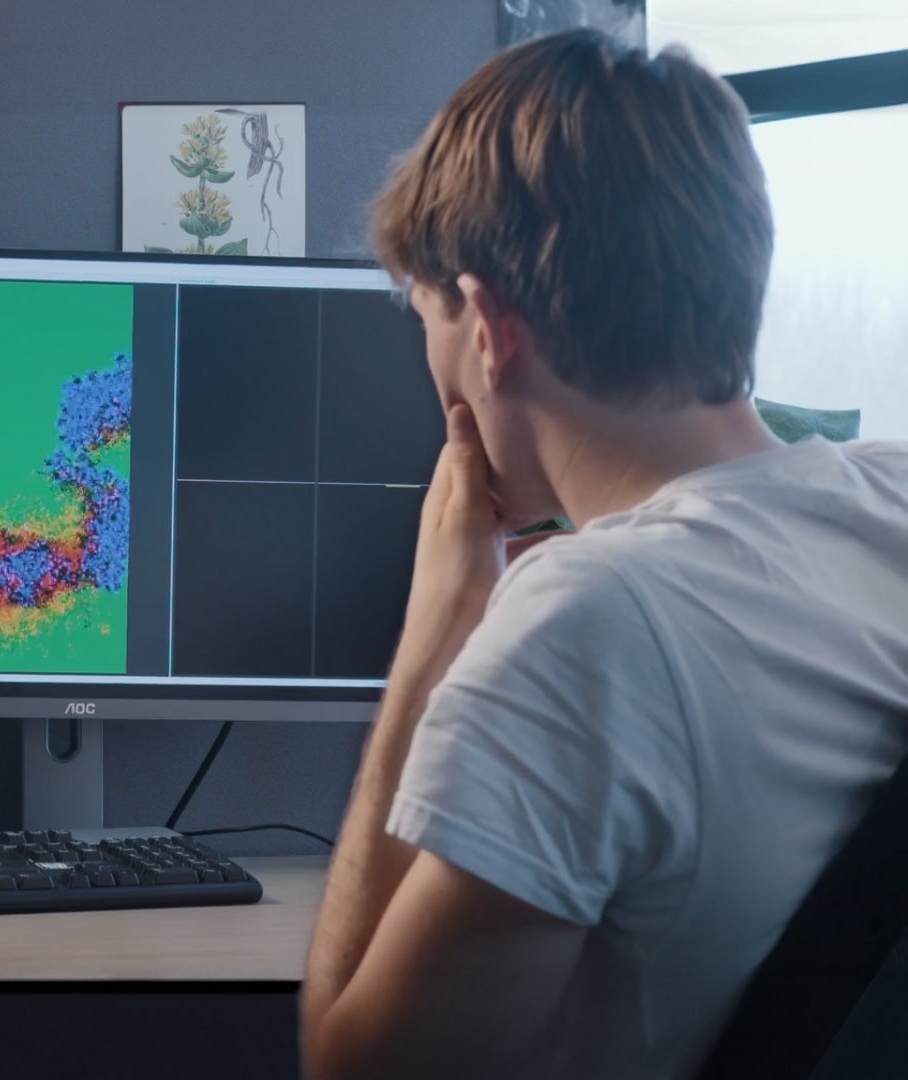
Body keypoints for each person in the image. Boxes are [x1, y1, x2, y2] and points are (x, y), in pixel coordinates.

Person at [299, 27, 908, 1080]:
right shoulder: (893, 494)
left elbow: (351, 1070)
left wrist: (434, 633)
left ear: (487, 325)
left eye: (426, 311)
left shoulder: (589, 622)